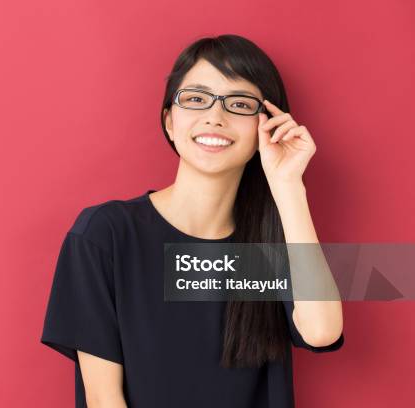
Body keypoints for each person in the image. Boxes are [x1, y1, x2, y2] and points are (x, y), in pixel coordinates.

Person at [40, 34, 344, 408]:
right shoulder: (105, 234)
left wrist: (287, 185)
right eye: (196, 99)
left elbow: (322, 331)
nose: (215, 117)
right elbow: (104, 399)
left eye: (239, 104)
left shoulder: (272, 249)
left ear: (267, 128)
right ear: (169, 121)